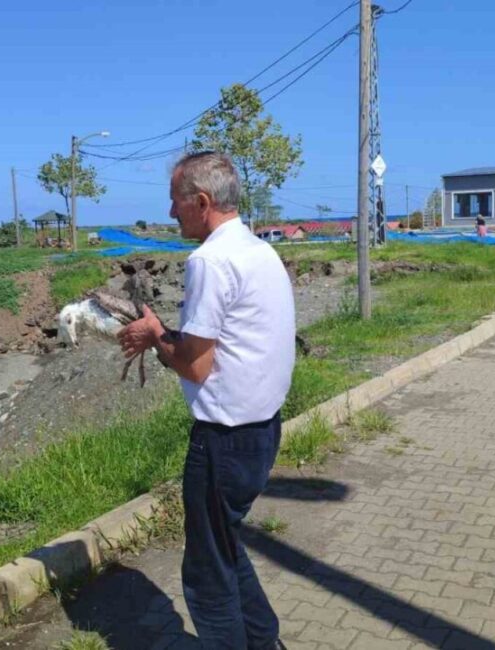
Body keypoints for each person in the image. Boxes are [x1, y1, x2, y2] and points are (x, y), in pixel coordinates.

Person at [118, 152, 294, 650]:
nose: (170, 212)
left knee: (206, 575)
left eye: (175, 201)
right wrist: (167, 335)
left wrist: (155, 334)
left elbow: (195, 364)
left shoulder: (210, 261)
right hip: (262, 431)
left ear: (200, 201)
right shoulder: (259, 251)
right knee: (225, 549)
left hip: (224, 441)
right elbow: (217, 345)